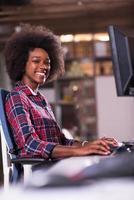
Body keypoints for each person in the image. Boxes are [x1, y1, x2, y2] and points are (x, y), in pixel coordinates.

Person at [4, 24, 117, 161]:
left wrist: (90, 144)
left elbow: (61, 140)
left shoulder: (40, 99)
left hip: (56, 164)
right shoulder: (17, 97)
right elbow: (30, 144)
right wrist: (80, 151)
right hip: (39, 170)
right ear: (22, 64)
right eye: (36, 61)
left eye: (47, 62)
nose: (44, 66)